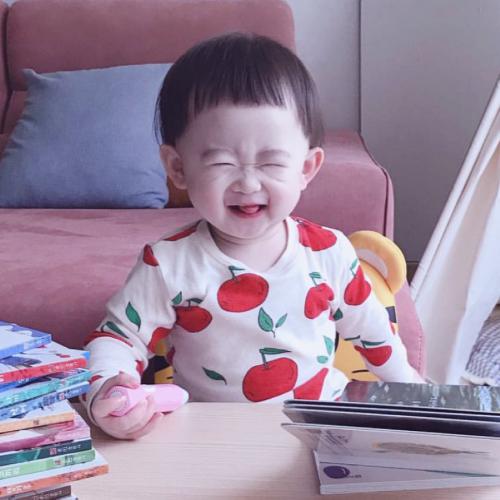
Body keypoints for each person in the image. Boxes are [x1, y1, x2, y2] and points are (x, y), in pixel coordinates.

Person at [82, 32, 424, 440]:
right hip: (213, 435)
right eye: (221, 162)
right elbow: (117, 338)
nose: (247, 183)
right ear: (178, 168)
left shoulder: (330, 252)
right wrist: (109, 391)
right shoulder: (168, 264)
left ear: (306, 168)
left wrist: (416, 397)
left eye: (271, 163)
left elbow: (374, 334)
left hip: (319, 426)